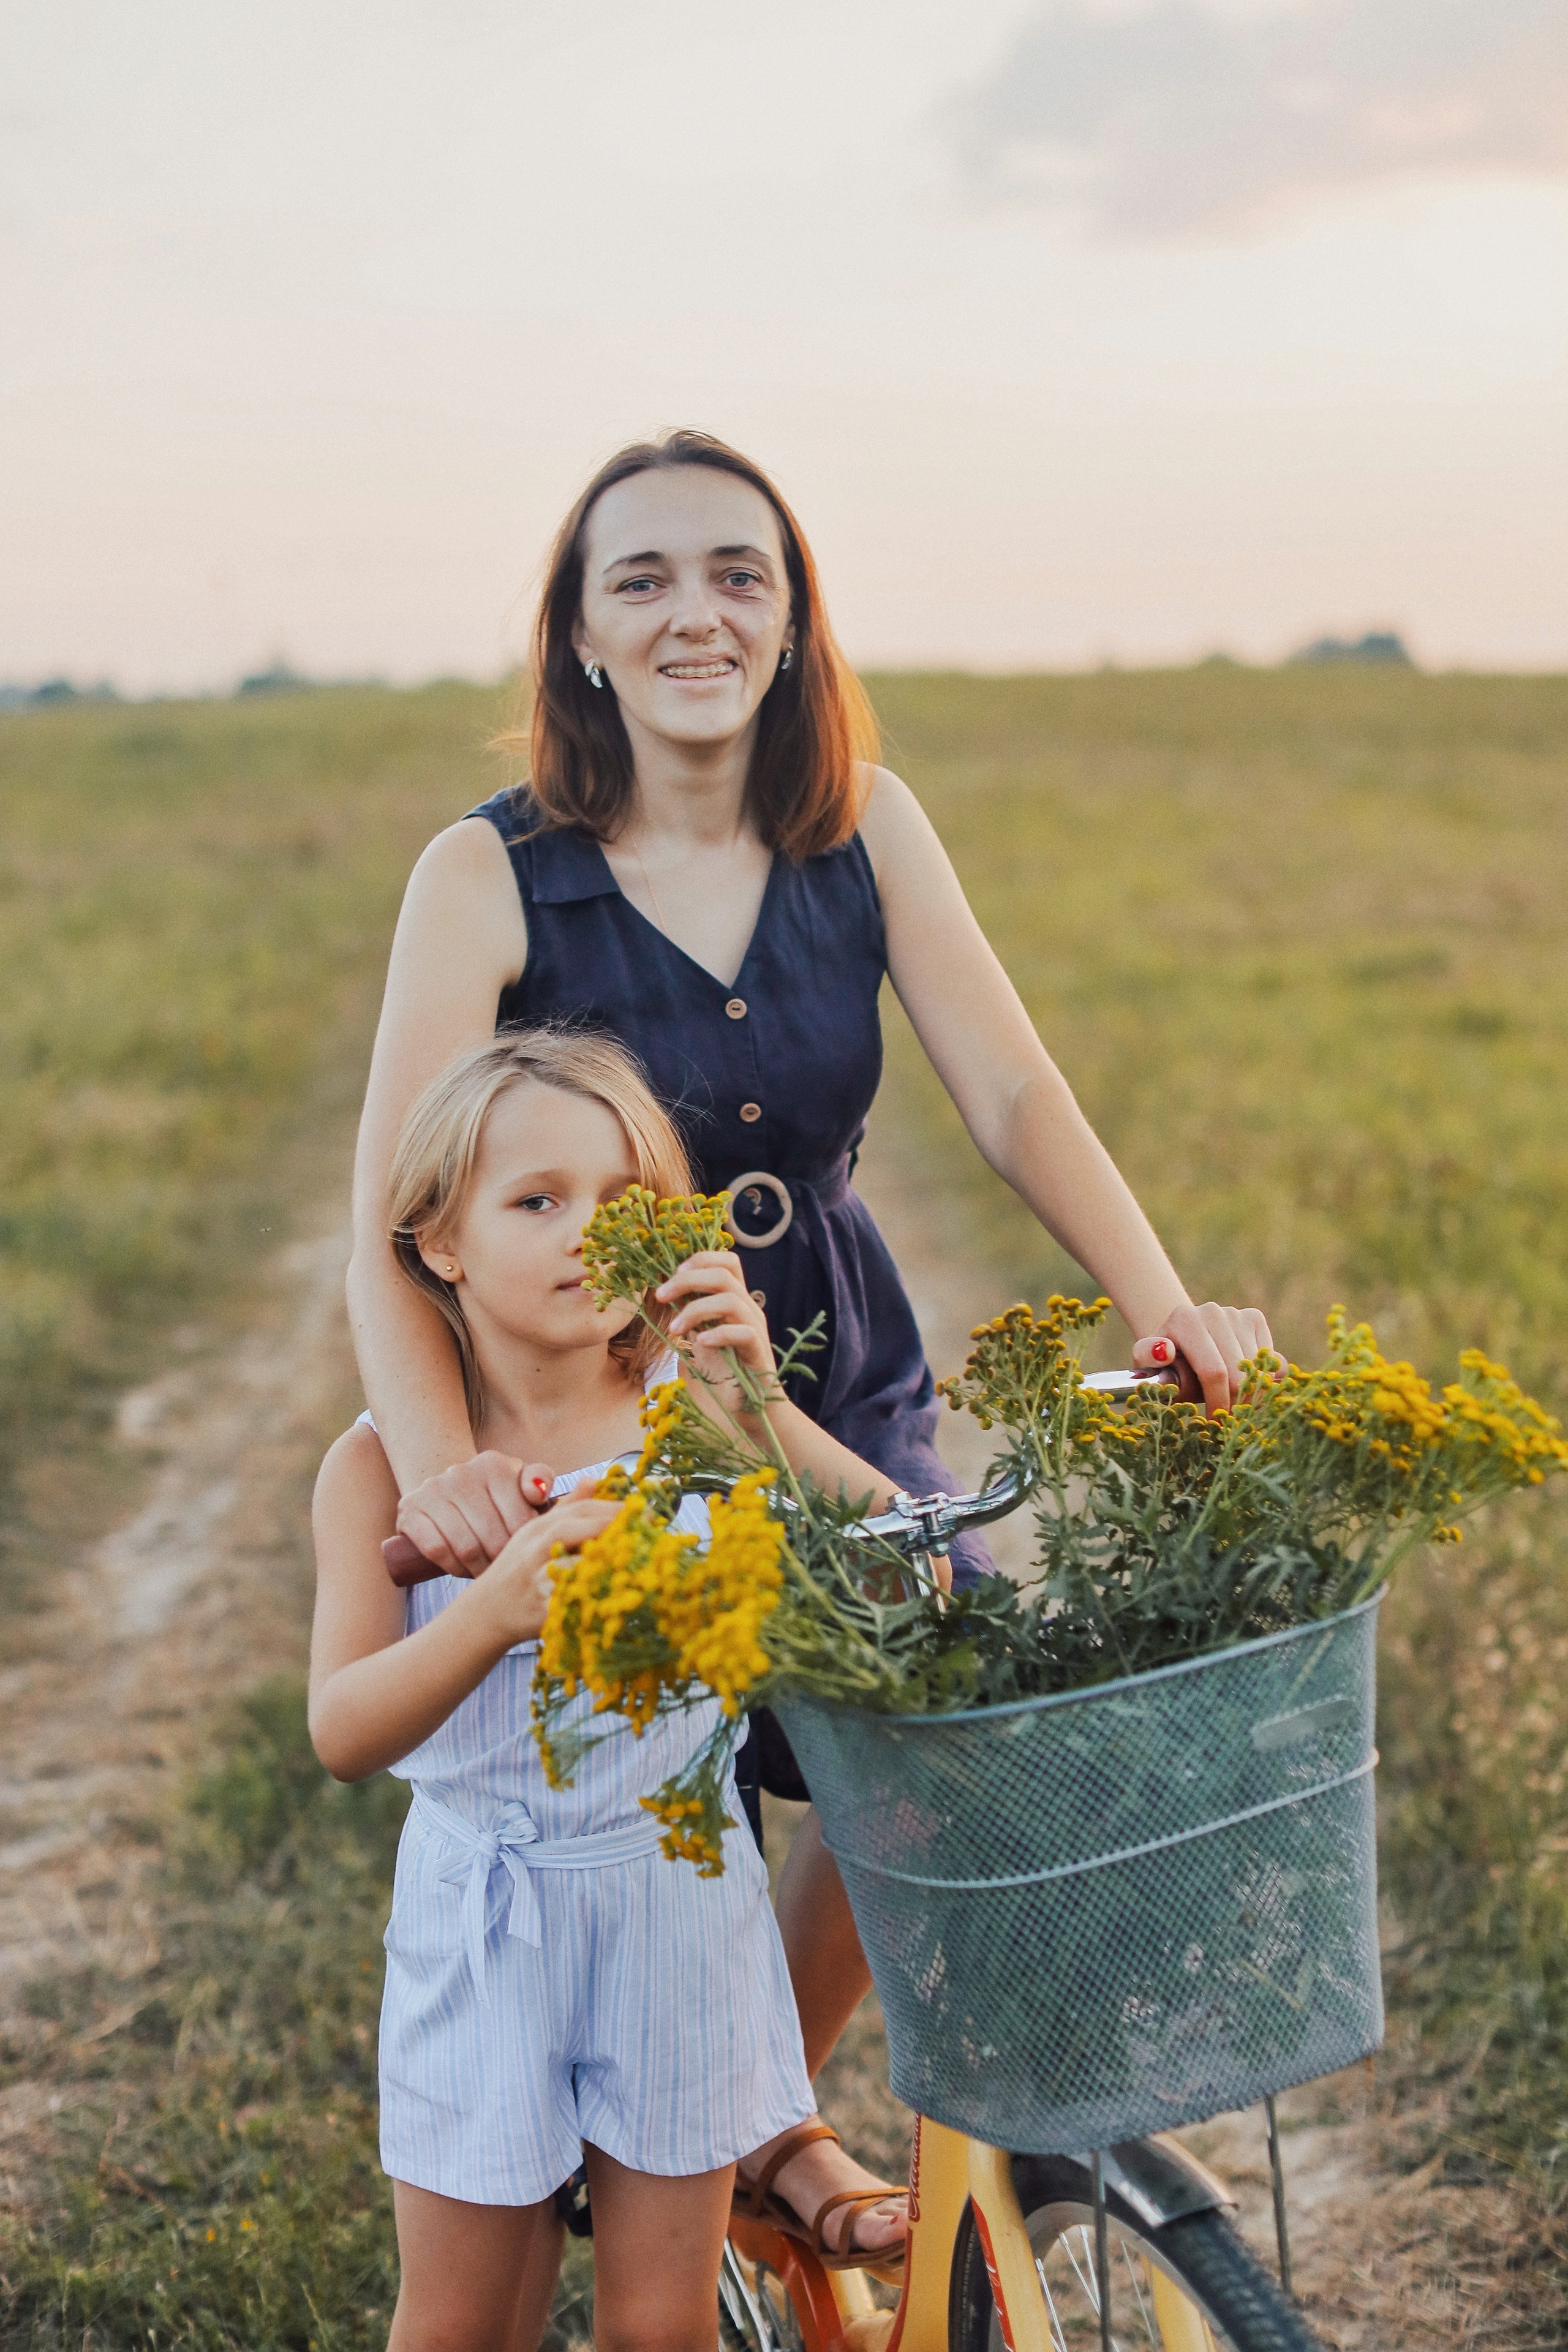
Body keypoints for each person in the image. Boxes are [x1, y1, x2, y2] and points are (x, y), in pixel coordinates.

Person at [345, 428, 1274, 2266]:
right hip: (599, 1411)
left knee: (933, 1701)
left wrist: (1161, 1299)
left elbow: (1013, 1092)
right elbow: (389, 1229)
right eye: (643, 579)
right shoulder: (487, 873)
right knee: (629, 1788)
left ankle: (752, 2117)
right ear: (581, 634)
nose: (695, 612)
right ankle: (622, 2131)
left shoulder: (864, 828)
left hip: (833, 1380)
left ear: (791, 621)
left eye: (738, 574)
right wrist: (452, 1476)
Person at [311, 1030, 915, 2352]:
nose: (587, 1232)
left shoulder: (691, 1415)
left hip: (675, 1915)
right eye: (537, 1200)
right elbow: (343, 1730)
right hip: (487, 1924)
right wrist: (490, 1615)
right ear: (439, 1241)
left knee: (658, 2325)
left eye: (621, 1200)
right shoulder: (382, 1471)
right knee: (462, 2322)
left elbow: (902, 1569)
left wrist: (762, 1410)